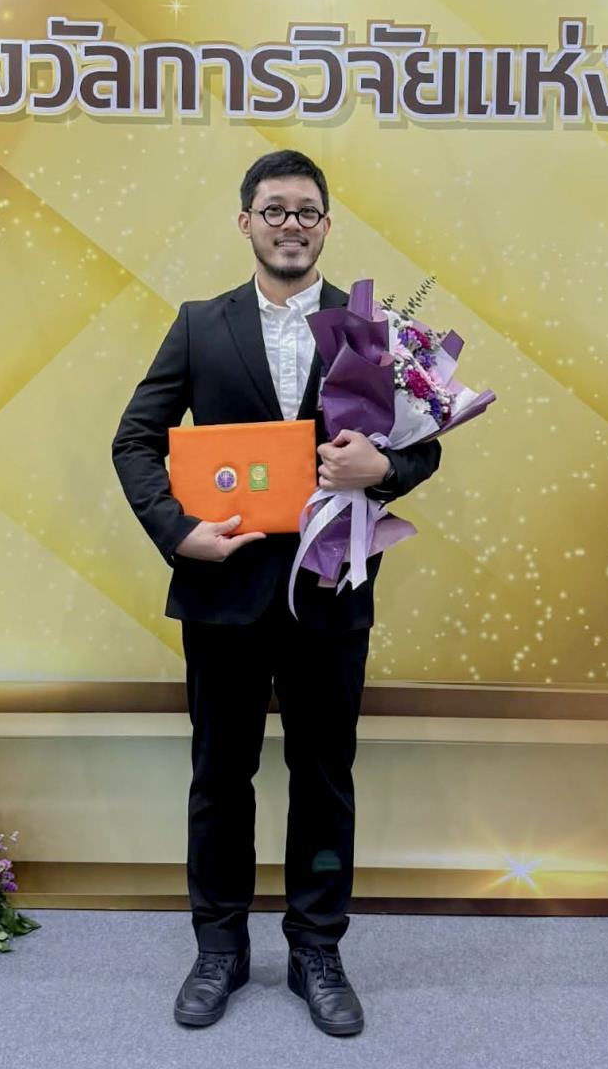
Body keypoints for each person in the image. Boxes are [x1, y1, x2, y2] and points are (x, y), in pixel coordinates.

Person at [110, 149, 442, 1037]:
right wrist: (178, 530)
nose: (290, 225)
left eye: (305, 212)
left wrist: (384, 469)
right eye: (274, 210)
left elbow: (425, 443)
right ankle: (219, 947)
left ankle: (316, 949)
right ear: (246, 222)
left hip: (330, 591)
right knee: (220, 780)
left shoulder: (371, 331)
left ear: (326, 226)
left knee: (324, 780)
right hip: (223, 592)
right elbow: (135, 440)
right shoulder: (198, 325)